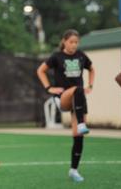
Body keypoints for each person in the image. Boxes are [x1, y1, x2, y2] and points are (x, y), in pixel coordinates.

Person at [36, 29, 95, 183]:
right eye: (71, 42)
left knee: (78, 136)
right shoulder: (57, 57)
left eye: (76, 42)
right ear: (64, 41)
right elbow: (41, 71)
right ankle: (82, 123)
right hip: (62, 98)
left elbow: (92, 68)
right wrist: (49, 88)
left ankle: (74, 170)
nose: (74, 45)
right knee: (77, 89)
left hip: (79, 102)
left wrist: (91, 85)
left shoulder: (81, 56)